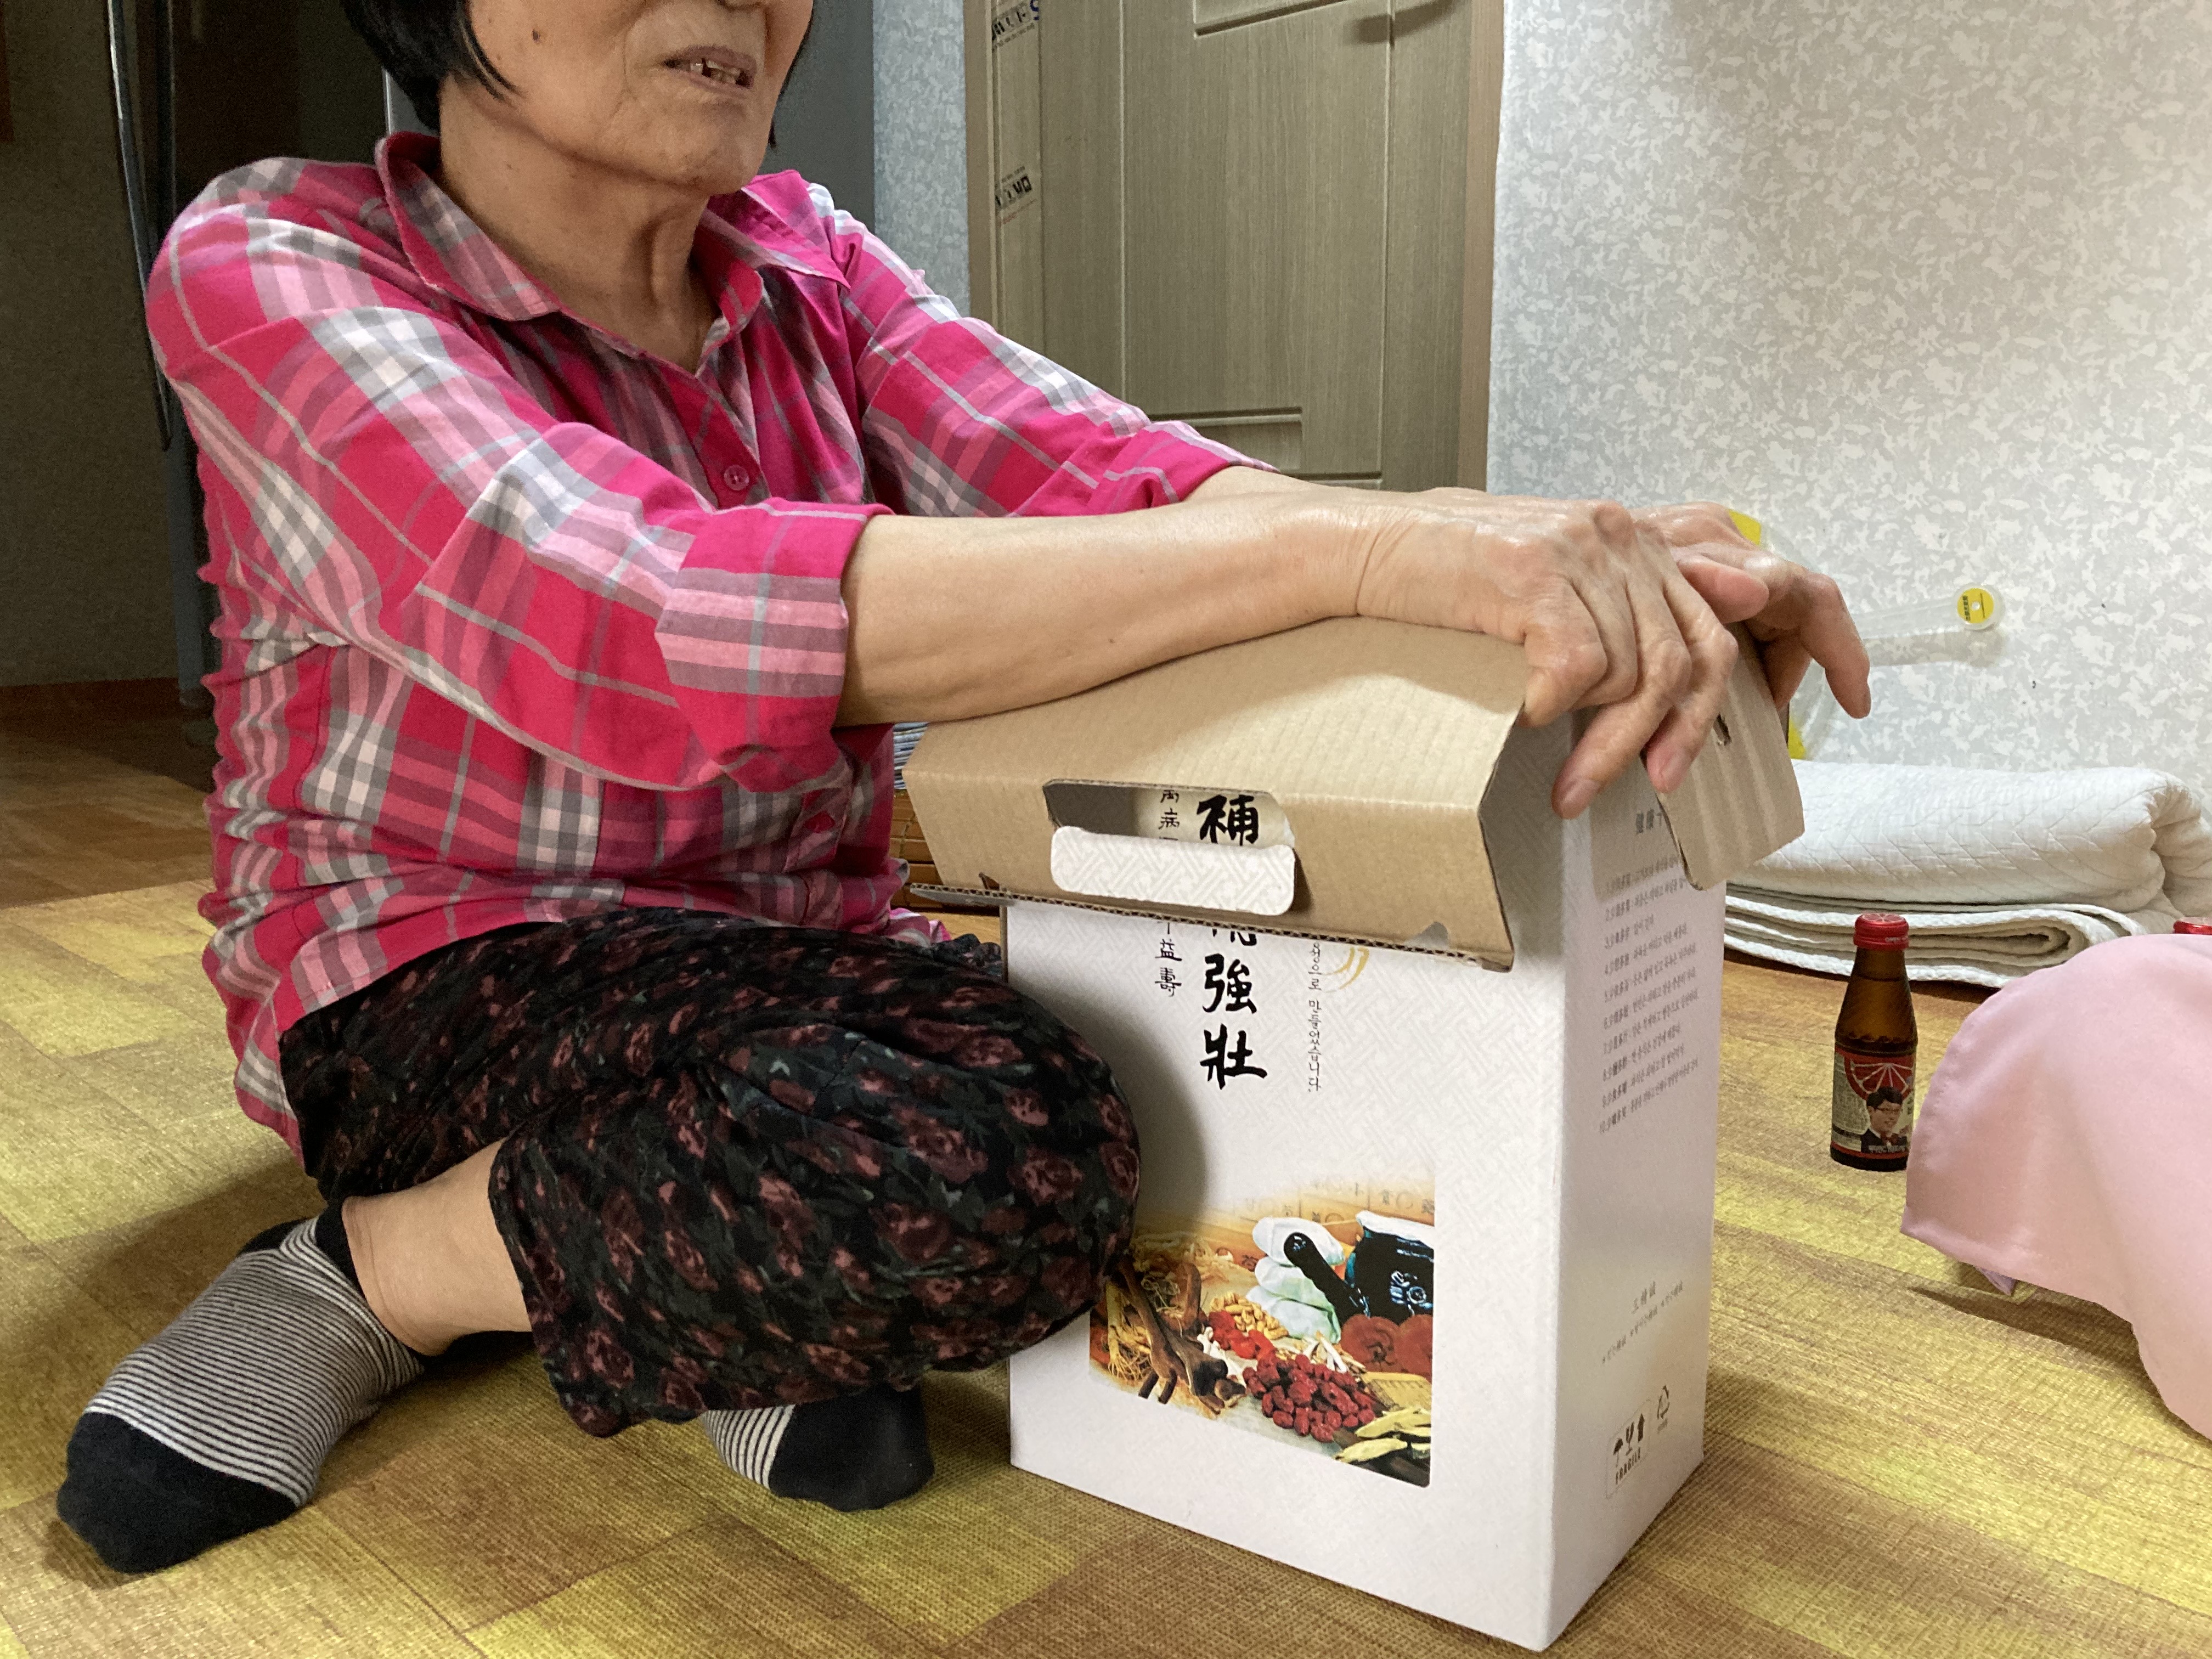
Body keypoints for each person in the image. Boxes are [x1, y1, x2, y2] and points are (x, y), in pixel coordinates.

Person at [55, 0, 1871, 1573]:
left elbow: (1124, 481)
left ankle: (681, 1279)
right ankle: (369, 1273)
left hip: (785, 973)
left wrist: (1578, 551)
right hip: (436, 980)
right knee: (998, 1141)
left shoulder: (808, 265)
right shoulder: (277, 261)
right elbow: (632, 620)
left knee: (1173, 1111)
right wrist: (1383, 562)